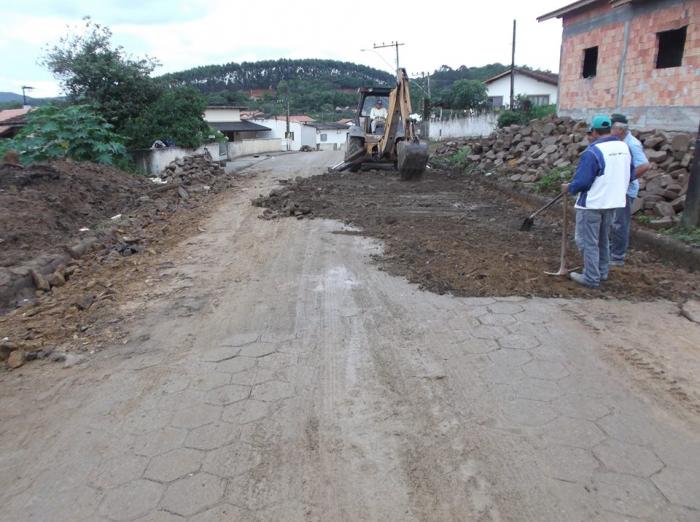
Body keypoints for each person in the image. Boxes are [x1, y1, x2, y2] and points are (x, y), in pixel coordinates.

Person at [562, 115, 634, 288]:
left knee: (587, 241)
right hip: (613, 202)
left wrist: (569, 188)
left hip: (592, 203)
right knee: (602, 239)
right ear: (609, 129)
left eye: (590, 132)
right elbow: (630, 174)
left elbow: (583, 182)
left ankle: (591, 277)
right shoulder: (624, 148)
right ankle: (602, 272)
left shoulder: (593, 152)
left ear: (594, 132)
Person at [609, 113, 650, 266]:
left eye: (612, 128)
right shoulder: (619, 141)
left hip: (625, 191)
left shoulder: (632, 144)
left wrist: (625, 179)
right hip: (616, 189)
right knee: (612, 222)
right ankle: (611, 251)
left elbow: (644, 165)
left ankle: (617, 256)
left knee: (620, 223)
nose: (610, 131)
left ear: (620, 129)